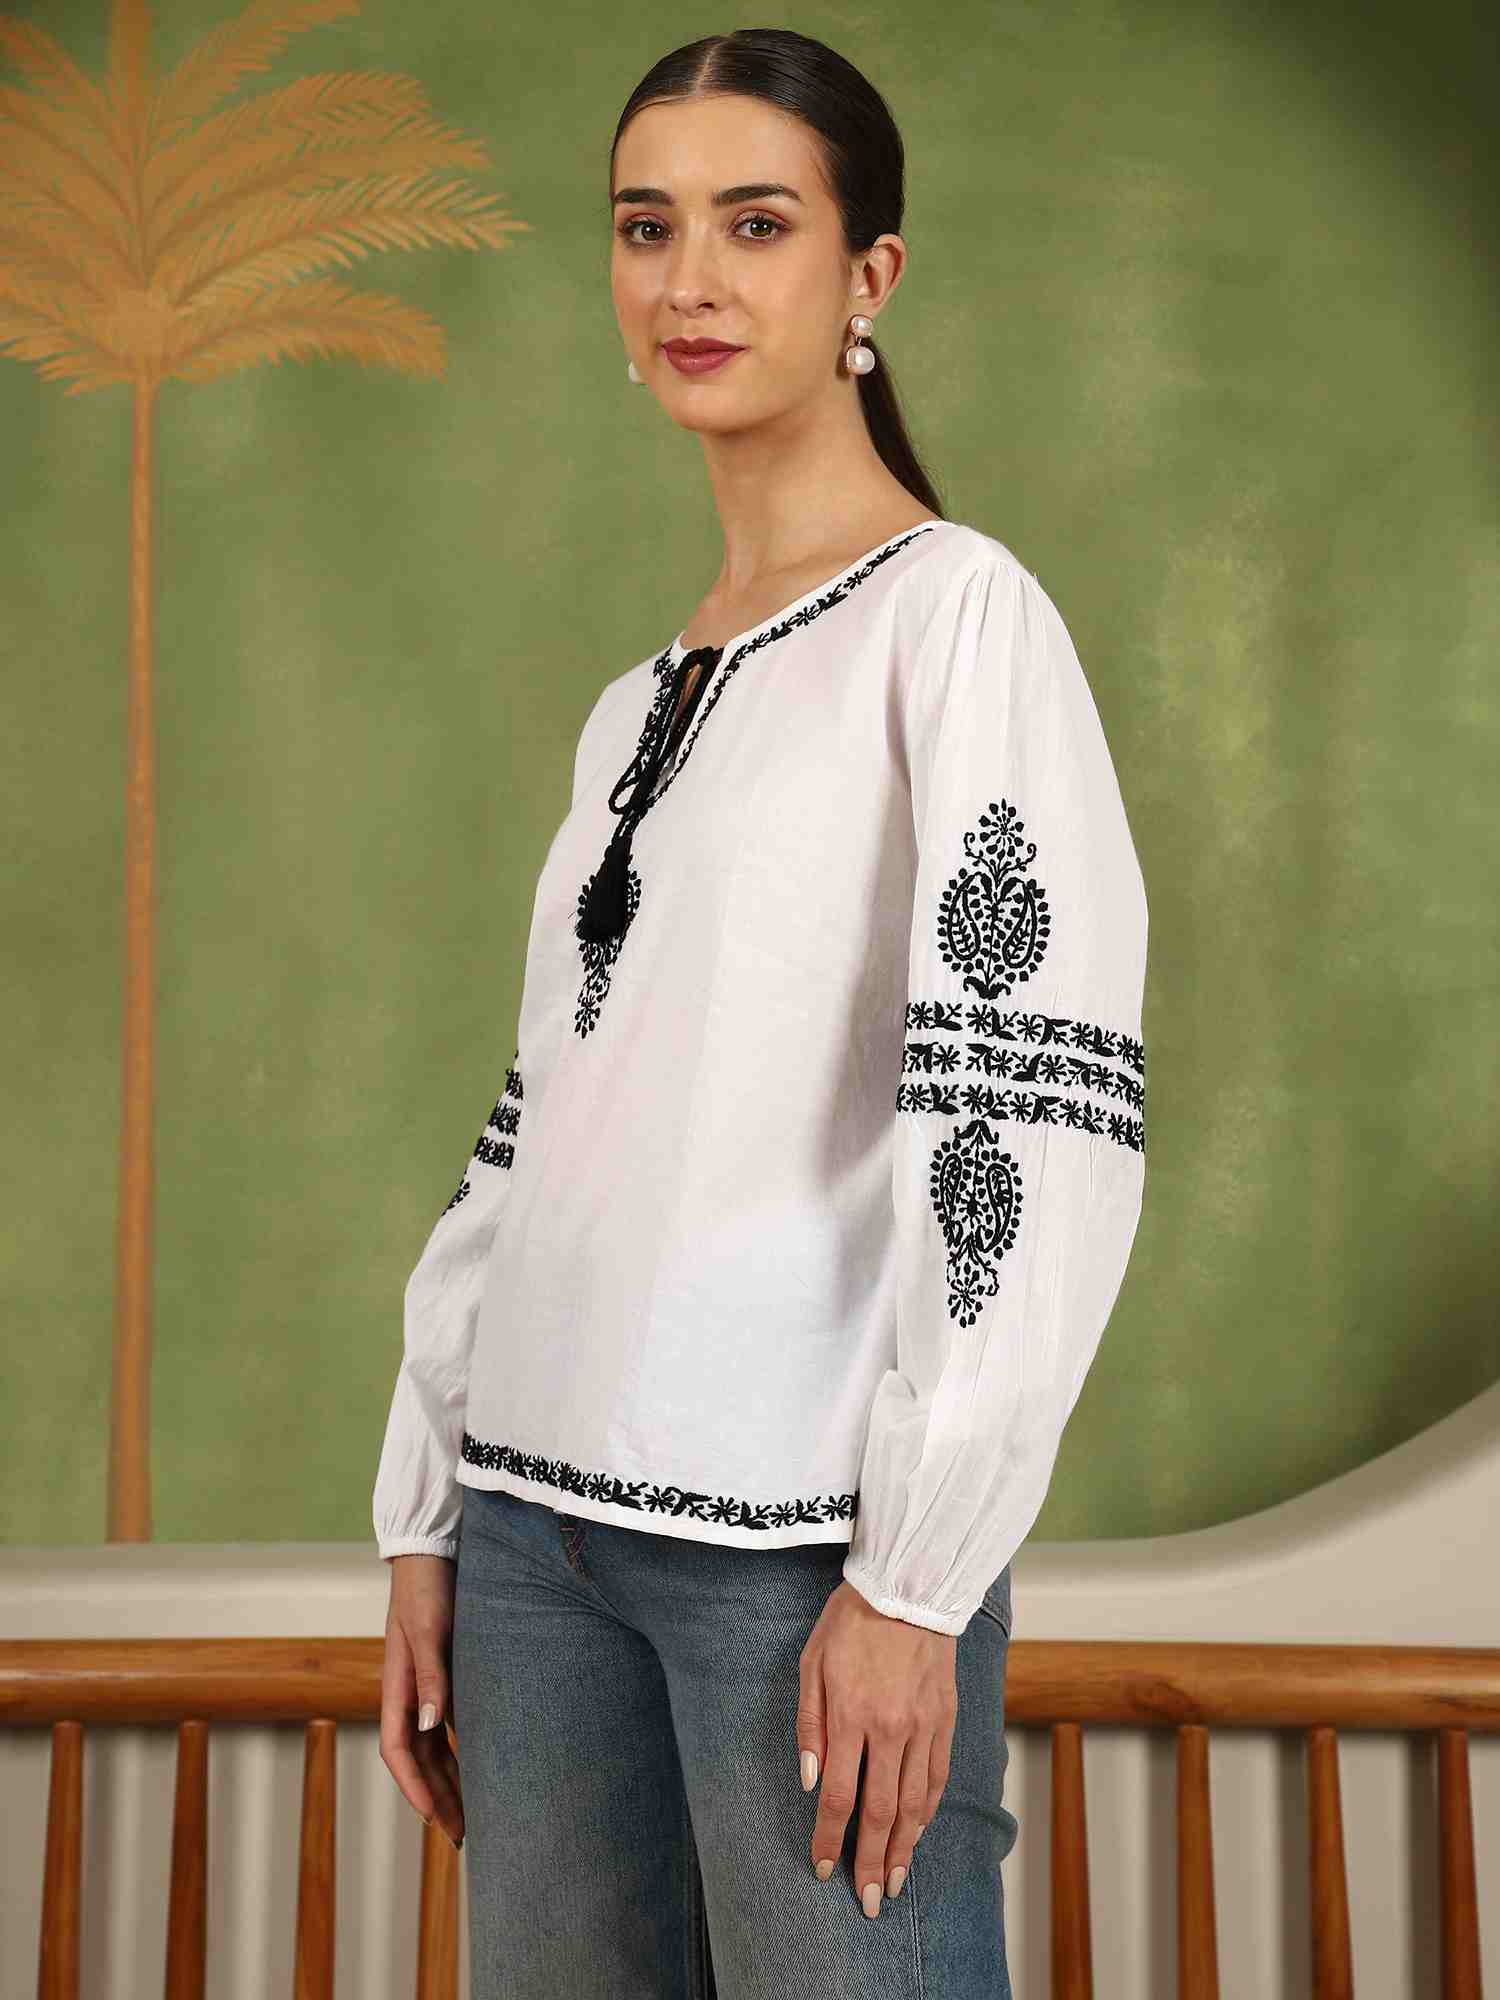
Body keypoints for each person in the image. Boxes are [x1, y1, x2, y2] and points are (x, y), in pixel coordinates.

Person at [373, 28, 1148, 1999]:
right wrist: (428, 1507)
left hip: (798, 1561)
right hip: (532, 1540)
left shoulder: (956, 620)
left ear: (868, 274)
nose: (690, 281)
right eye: (646, 228)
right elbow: (546, 1120)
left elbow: (1023, 1109)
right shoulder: (635, 706)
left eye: (756, 224)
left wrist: (917, 1576)